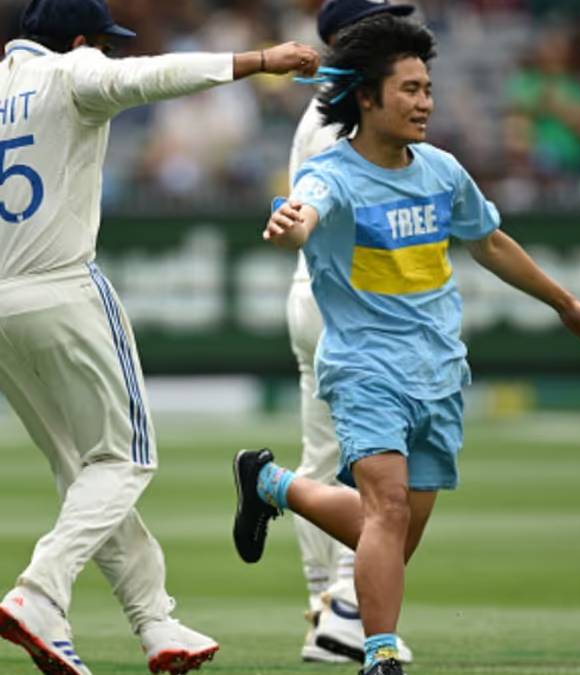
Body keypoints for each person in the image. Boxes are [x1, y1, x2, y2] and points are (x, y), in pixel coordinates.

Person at [229, 13, 580, 675]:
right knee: (388, 507)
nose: (424, 101)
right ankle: (379, 653)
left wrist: (567, 305)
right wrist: (291, 221)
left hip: (438, 370)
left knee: (392, 530)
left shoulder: (442, 171)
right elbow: (304, 211)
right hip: (363, 366)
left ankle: (271, 483)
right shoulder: (332, 173)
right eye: (408, 89)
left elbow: (488, 241)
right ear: (367, 98)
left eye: (427, 88)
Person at [0, 1, 318, 674]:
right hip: (62, 286)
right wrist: (258, 61)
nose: (109, 56)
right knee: (125, 461)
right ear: (81, 41)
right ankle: (39, 589)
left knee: (83, 470)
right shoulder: (71, 72)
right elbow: (149, 77)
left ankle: (154, 622)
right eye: (102, 46)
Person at [284, 0, 418, 666]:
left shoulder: (321, 106)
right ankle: (344, 606)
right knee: (369, 464)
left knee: (320, 455)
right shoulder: (352, 110)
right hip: (349, 301)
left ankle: (321, 603)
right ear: (346, 38)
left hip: (310, 297)